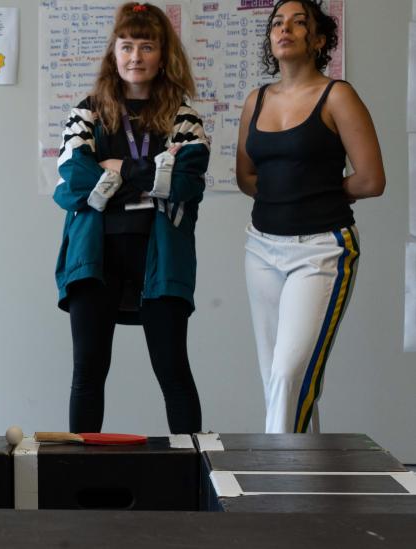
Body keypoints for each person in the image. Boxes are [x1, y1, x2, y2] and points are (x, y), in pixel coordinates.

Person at [53, 2, 209, 435]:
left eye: (147, 46)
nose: (135, 57)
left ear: (163, 55)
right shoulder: (87, 112)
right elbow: (73, 179)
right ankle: (82, 469)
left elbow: (186, 183)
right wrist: (153, 173)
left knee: (174, 371)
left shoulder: (183, 116)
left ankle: (192, 469)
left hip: (161, 255)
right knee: (88, 372)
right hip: (95, 256)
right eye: (126, 46)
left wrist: (115, 168)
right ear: (114, 52)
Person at [236, 0, 384, 433]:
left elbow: (371, 180)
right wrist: (284, 195)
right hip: (261, 249)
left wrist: (315, 192)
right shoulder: (256, 100)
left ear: (318, 40)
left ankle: (276, 474)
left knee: (290, 376)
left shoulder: (337, 95)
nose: (285, 29)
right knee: (277, 380)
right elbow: (246, 176)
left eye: (299, 23)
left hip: (322, 250)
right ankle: (304, 467)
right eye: (278, 23)